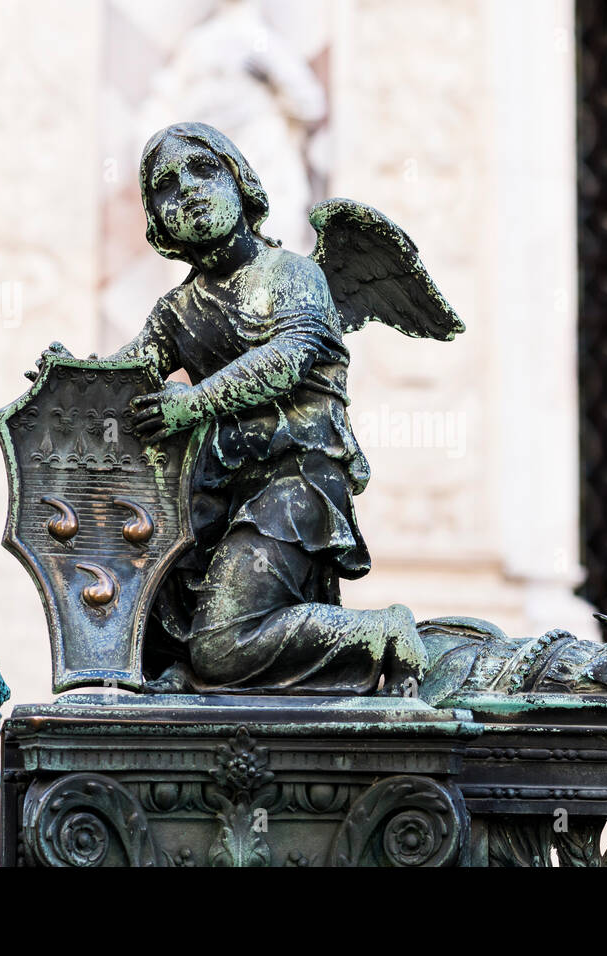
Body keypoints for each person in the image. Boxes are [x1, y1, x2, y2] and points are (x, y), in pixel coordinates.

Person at [110, 122, 425, 695]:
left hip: (294, 484)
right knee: (149, 609)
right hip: (213, 497)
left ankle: (380, 634)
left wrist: (196, 402)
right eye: (166, 185)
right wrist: (71, 380)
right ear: (156, 217)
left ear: (239, 178)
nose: (188, 192)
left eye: (204, 171)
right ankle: (197, 670)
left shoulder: (293, 274)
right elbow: (126, 378)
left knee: (223, 643)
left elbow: (289, 356)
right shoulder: (177, 309)